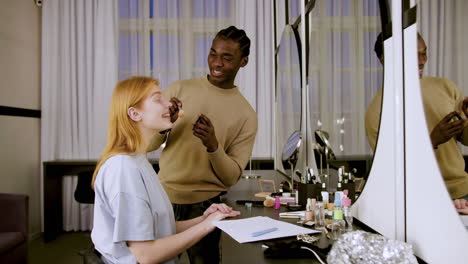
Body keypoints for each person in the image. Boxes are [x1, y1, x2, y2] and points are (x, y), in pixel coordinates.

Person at [91, 76, 240, 264]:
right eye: (157, 99)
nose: (168, 104)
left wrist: (204, 219)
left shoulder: (138, 161)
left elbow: (158, 229)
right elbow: (146, 255)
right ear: (135, 114)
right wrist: (207, 226)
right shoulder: (123, 169)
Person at [147, 26, 258, 263]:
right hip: (163, 198)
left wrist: (213, 145)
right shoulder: (179, 89)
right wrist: (166, 124)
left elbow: (230, 178)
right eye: (213, 54)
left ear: (243, 61)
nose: (216, 63)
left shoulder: (246, 114)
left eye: (227, 57)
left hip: (206, 206)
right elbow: (146, 145)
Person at [365, 33, 468, 203]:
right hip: (420, 199)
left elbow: (466, 139)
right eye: (413, 55)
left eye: (424, 53)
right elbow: (393, 169)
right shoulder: (377, 112)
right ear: (385, 59)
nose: (422, 61)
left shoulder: (446, 87)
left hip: (462, 192)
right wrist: (432, 141)